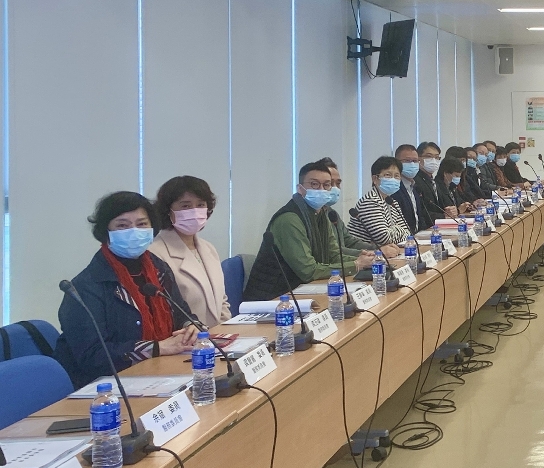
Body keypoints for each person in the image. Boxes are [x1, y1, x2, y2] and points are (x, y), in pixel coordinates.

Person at [54, 192, 200, 387]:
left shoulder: (158, 268)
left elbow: (181, 313)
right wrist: (156, 348)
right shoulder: (86, 286)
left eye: (141, 224)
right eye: (122, 225)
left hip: (163, 373)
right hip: (108, 387)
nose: (134, 231)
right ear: (105, 231)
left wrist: (191, 327)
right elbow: (93, 355)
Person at [243, 162, 374, 301]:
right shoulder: (289, 219)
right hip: (273, 298)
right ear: (300, 188)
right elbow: (308, 271)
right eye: (314, 184)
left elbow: (334, 255)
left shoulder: (322, 215)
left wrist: (365, 260)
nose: (321, 189)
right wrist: (356, 265)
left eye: (327, 185)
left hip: (301, 292)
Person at [148, 176, 232, 328]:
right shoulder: (154, 253)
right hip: (184, 338)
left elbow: (222, 300)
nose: (194, 211)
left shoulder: (208, 248)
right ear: (168, 210)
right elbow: (163, 310)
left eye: (200, 205)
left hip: (217, 337)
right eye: (186, 206)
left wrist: (224, 331)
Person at [350, 156, 412, 247]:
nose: (393, 179)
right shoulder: (370, 201)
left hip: (388, 250)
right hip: (365, 252)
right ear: (375, 179)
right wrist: (397, 230)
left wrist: (392, 230)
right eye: (388, 175)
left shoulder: (392, 202)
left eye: (396, 176)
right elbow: (383, 238)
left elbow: (408, 232)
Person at [390, 144, 440, 232]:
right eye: (407, 161)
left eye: (415, 161)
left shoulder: (415, 187)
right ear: (397, 163)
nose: (412, 164)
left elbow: (419, 217)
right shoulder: (394, 188)